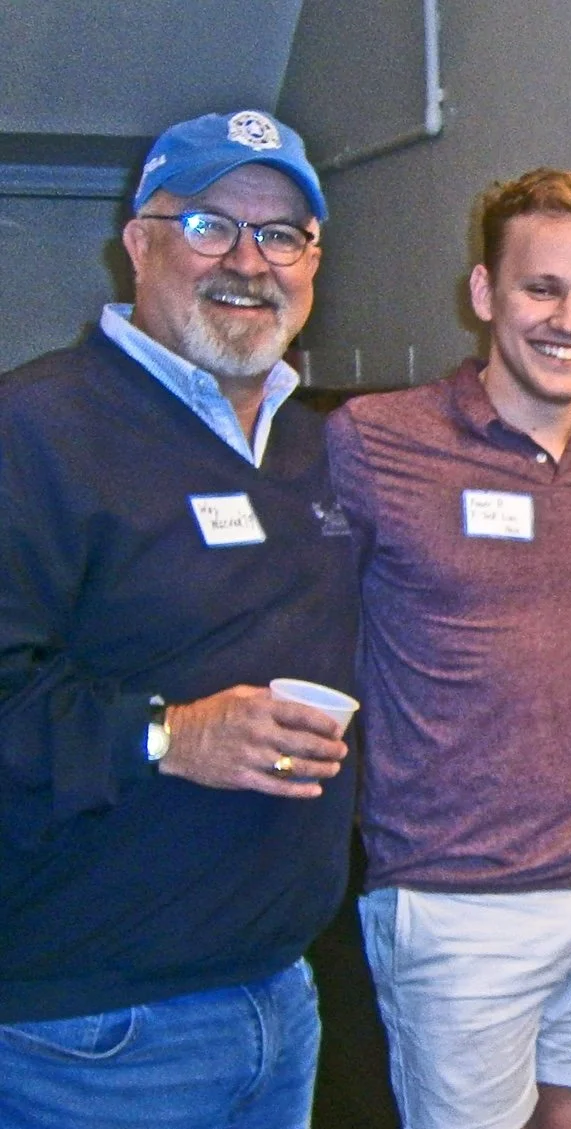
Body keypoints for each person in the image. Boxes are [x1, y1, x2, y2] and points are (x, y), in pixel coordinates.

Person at [0, 110, 357, 1128]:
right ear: (138, 242)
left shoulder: (315, 445)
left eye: (282, 235)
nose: (250, 261)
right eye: (209, 224)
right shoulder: (34, 429)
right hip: (89, 1034)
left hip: (282, 1000)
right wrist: (170, 734)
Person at [328, 168, 571, 1129]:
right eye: (540, 288)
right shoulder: (375, 442)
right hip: (457, 894)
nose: (570, 319)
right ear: (484, 294)